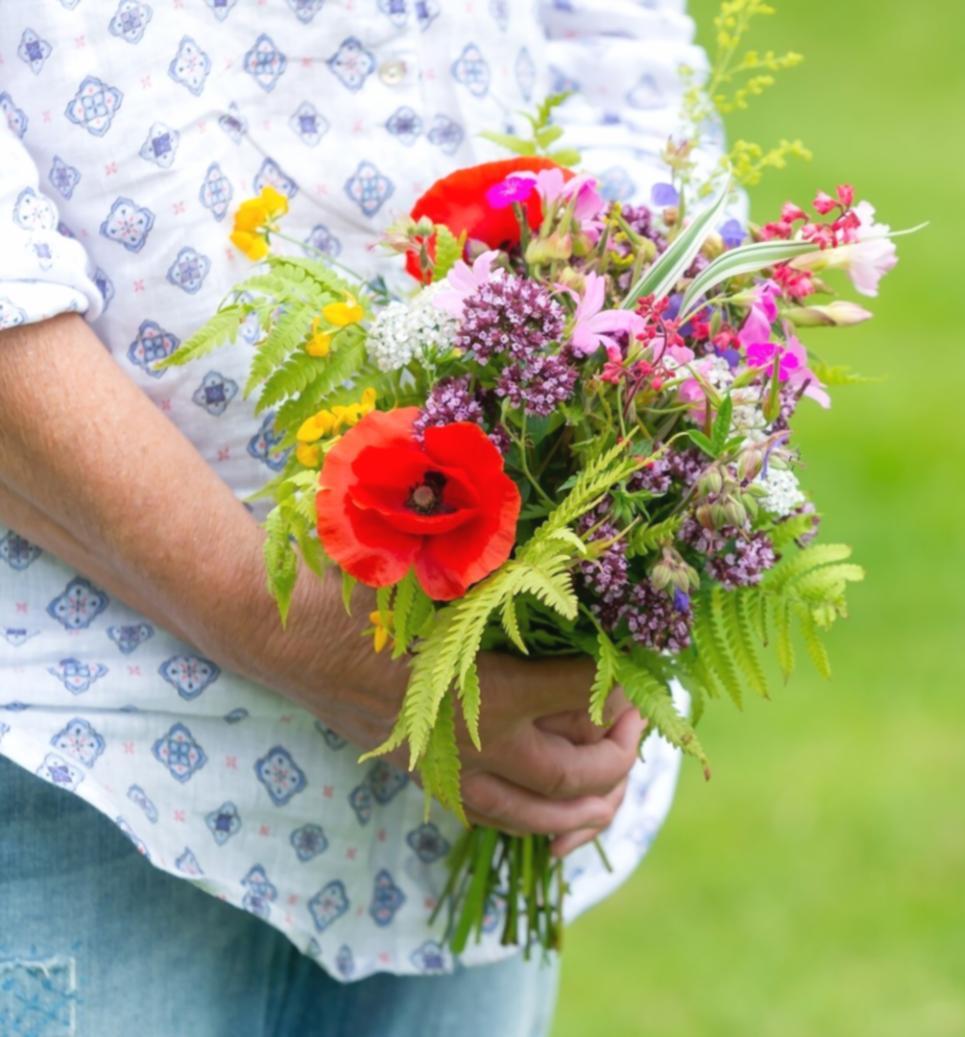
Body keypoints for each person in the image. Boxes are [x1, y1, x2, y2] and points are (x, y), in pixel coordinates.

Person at [0, 4, 716, 1033]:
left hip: (446, 811)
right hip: (76, 743)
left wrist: (627, 448)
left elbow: (617, 51)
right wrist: (275, 616)